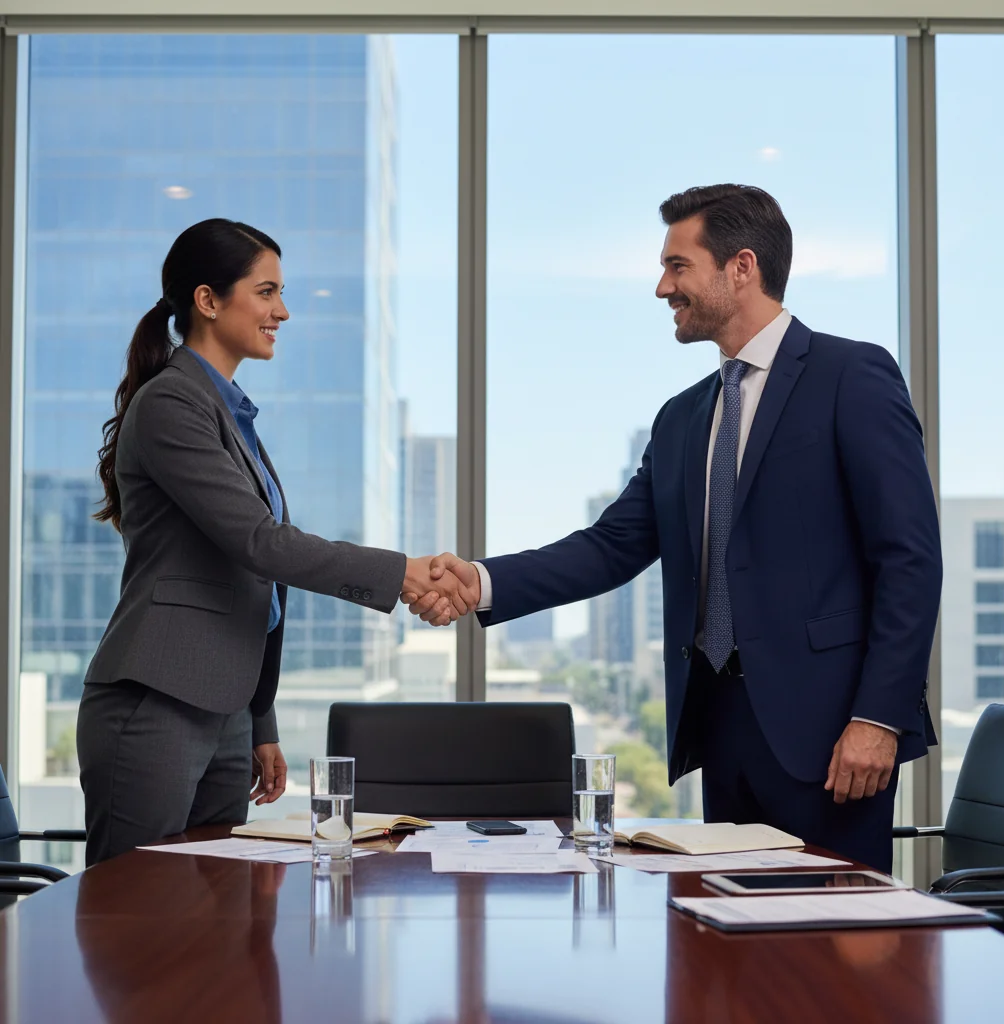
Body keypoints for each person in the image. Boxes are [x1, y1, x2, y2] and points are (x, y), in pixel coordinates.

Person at [406, 185, 942, 873]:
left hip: (835, 737)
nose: (663, 287)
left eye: (678, 266)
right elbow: (611, 546)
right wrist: (478, 582)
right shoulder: (682, 417)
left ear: (740, 267)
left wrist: (879, 717)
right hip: (720, 730)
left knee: (831, 951)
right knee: (728, 949)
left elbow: (910, 559)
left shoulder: (852, 375)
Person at [78, 218, 467, 865]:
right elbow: (260, 543)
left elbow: (255, 583)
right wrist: (401, 571)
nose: (282, 311)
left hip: (221, 710)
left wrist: (259, 720)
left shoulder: (228, 411)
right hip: (157, 700)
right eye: (266, 292)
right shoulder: (172, 402)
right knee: (136, 920)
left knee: (215, 923)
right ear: (208, 300)